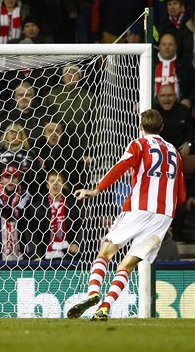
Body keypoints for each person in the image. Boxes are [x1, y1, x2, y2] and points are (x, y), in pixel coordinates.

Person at [67, 109, 186, 321]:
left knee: (105, 253)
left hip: (138, 208)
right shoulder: (175, 153)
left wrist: (96, 190)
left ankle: (93, 294)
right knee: (128, 266)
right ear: (161, 128)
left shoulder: (139, 144)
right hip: (164, 215)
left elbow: (121, 166)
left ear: (140, 127)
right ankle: (104, 307)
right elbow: (182, 195)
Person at [28, 171, 80, 261]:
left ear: (63, 185)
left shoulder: (73, 205)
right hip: (44, 255)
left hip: (69, 254)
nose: (55, 184)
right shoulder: (38, 207)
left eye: (58, 181)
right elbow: (33, 232)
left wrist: (76, 243)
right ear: (47, 185)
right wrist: (36, 255)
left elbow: (80, 226)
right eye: (52, 181)